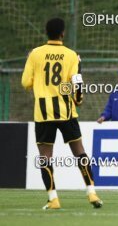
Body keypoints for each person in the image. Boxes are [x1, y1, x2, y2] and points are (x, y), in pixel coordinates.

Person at [21, 17, 102, 210]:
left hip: (43, 113)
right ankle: (91, 192)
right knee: (79, 151)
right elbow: (76, 83)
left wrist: (41, 84)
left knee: (45, 156)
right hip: (67, 112)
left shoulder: (35, 54)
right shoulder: (72, 55)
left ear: (46, 33)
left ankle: (53, 198)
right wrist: (77, 99)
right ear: (63, 33)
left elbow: (25, 83)